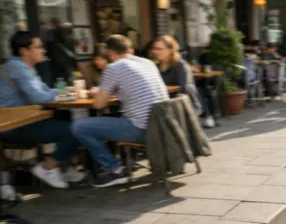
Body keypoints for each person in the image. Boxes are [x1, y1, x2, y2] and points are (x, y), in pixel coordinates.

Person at [71, 35, 169, 188]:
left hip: (141, 128)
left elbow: (98, 105)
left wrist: (102, 93)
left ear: (109, 53)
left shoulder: (114, 68)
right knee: (112, 118)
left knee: (79, 126)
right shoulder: (147, 62)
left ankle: (115, 169)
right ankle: (119, 164)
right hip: (162, 125)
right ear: (129, 49)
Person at [0, 31, 85, 189]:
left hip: (27, 118)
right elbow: (40, 97)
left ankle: (63, 166)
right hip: (14, 125)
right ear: (24, 51)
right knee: (78, 129)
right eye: (38, 47)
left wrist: (62, 92)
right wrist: (63, 92)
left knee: (67, 116)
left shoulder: (24, 67)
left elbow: (45, 93)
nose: (43, 50)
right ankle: (48, 167)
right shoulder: (18, 68)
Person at [152, 35, 202, 113]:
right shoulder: (155, 67)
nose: (155, 52)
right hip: (165, 108)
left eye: (159, 49)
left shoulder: (181, 66)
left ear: (170, 50)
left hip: (185, 109)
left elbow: (185, 89)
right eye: (154, 49)